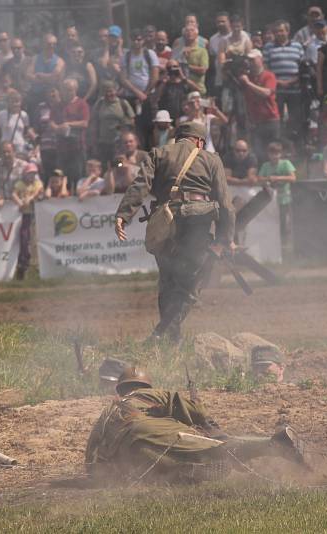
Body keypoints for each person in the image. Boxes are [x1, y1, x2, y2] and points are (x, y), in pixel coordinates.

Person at [114, 122, 234, 342]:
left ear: (178, 138)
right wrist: (225, 239)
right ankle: (164, 334)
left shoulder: (158, 153)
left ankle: (169, 339)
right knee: (190, 281)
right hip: (197, 220)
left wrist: (123, 215)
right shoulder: (211, 159)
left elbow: (140, 186)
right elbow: (225, 204)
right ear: (199, 141)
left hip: (165, 221)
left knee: (168, 280)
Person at [84, 366, 305, 483]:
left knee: (167, 466)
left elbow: (91, 455)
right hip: (152, 433)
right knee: (217, 448)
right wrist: (210, 426)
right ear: (145, 384)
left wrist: (100, 478)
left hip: (129, 454)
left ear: (120, 388)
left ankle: (186, 472)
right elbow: (194, 411)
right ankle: (274, 444)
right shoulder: (149, 393)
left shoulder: (108, 410)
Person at [238, 49, 279, 161]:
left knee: (273, 150)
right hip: (255, 121)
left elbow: (267, 93)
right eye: (249, 60)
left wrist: (248, 83)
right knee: (258, 152)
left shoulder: (268, 75)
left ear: (260, 59)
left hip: (270, 119)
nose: (250, 62)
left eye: (253, 59)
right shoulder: (247, 77)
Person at [257, 141, 296, 249]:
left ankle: (285, 244)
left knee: (285, 222)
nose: (275, 156)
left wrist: (277, 178)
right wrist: (269, 179)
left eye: (277, 153)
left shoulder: (286, 163)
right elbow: (259, 179)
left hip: (285, 198)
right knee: (272, 221)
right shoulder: (265, 165)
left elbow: (293, 178)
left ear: (281, 153)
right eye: (272, 153)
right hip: (270, 200)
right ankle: (273, 243)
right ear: (268, 154)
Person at [89, 81, 135, 166]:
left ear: (115, 91)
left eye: (111, 91)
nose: (109, 94)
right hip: (103, 143)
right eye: (106, 91)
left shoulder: (123, 103)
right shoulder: (99, 104)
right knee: (105, 166)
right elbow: (94, 123)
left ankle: (119, 178)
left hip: (119, 144)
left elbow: (132, 120)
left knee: (119, 165)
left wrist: (124, 128)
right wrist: (94, 142)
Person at [12, 163, 44, 280]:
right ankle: (23, 264)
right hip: (23, 215)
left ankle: (34, 265)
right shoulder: (20, 184)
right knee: (24, 239)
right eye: (29, 173)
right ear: (25, 174)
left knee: (34, 240)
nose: (31, 176)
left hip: (35, 215)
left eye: (33, 174)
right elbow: (13, 194)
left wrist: (29, 198)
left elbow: (38, 191)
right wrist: (20, 203)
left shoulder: (37, 183)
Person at [172, 25, 209, 95]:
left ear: (197, 34)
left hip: (197, 89)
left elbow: (203, 70)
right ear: (183, 34)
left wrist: (186, 66)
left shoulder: (202, 51)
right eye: (187, 31)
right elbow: (172, 67)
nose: (189, 32)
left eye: (192, 30)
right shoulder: (177, 51)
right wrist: (182, 56)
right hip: (180, 89)